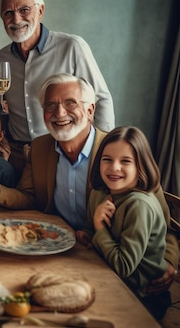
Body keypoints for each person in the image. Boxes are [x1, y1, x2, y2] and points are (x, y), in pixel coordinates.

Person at [0, 73, 178, 295]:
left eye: (70, 103)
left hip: (116, 266)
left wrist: (169, 261)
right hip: (61, 250)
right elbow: (29, 196)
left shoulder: (118, 153)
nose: (59, 113)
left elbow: (164, 224)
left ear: (90, 110)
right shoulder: (40, 148)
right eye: (50, 105)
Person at [0, 0, 115, 178]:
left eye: (24, 10)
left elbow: (101, 99)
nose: (16, 19)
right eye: (8, 13)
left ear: (40, 11)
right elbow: (3, 106)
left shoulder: (72, 47)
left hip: (61, 154)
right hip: (16, 156)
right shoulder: (1, 59)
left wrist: (103, 153)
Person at [77, 126, 170, 319]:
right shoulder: (99, 192)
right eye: (107, 160)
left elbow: (124, 267)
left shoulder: (139, 205)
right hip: (105, 275)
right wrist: (86, 233)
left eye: (125, 161)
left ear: (140, 166)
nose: (114, 168)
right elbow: (91, 230)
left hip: (139, 295)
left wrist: (99, 227)